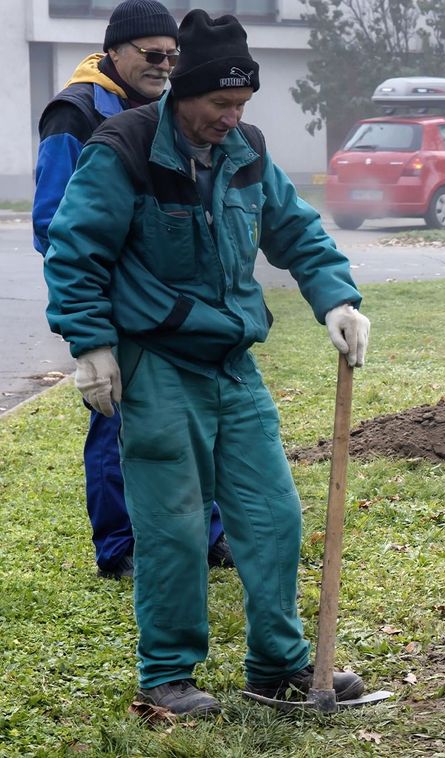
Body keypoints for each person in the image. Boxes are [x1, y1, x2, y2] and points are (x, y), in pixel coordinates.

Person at [44, 9, 371, 716]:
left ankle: (277, 666)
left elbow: (295, 231)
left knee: (274, 515)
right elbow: (75, 249)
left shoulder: (244, 149)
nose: (232, 117)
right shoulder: (123, 148)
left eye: (242, 104)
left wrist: (336, 300)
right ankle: (166, 677)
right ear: (181, 93)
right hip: (156, 362)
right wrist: (91, 344)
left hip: (231, 363)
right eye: (220, 103)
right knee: (174, 526)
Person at [33, 0, 233, 580]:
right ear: (115, 51)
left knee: (197, 414)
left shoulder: (171, 108)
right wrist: (97, 310)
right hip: (114, 305)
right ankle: (121, 547)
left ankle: (208, 535)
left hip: (175, 304)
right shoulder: (73, 115)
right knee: (115, 419)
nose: (165, 66)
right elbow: (53, 225)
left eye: (173, 56)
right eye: (152, 54)